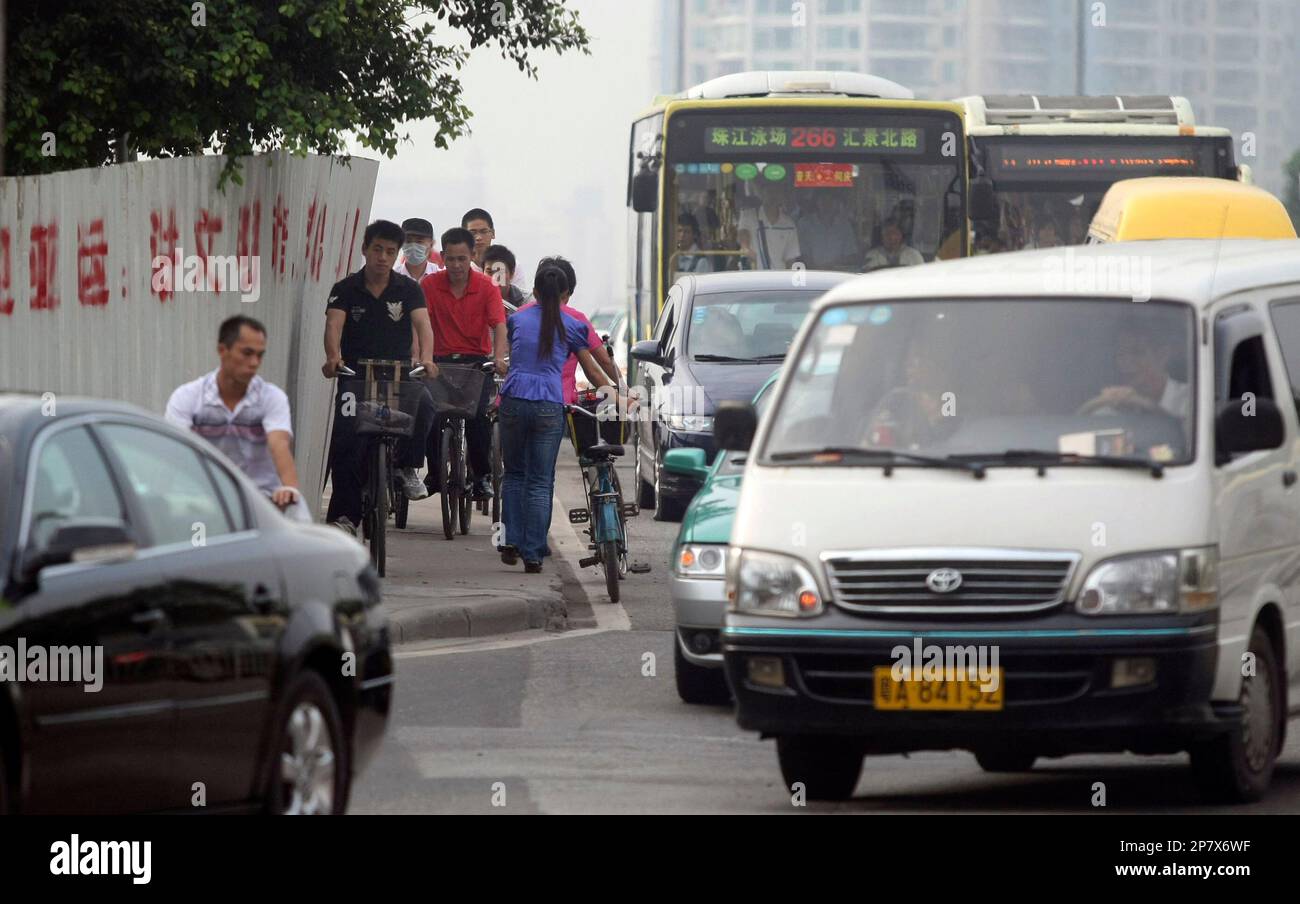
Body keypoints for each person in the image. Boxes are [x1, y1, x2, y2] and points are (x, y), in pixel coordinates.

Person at [498, 264, 618, 573]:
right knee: (540, 480)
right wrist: (615, 392)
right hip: (550, 403)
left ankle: (510, 540)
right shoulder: (573, 325)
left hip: (513, 399)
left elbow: (511, 355)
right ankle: (534, 552)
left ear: (535, 292)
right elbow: (592, 370)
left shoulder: (517, 319)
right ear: (565, 294)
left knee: (514, 474)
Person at [322, 220, 438, 534]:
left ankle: (405, 467)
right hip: (355, 376)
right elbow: (334, 326)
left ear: (395, 254)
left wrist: (426, 358)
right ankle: (345, 516)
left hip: (398, 373)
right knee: (346, 439)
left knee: (426, 405)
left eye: (390, 251)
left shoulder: (408, 289)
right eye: (377, 250)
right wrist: (334, 358)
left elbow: (423, 326)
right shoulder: (345, 289)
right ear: (365, 250)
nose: (383, 257)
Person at [166, 315, 310, 522]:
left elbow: (279, 444)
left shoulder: (272, 397)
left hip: (262, 499)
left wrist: (288, 488)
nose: (254, 363)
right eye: (247, 353)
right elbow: (174, 451)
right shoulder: (188, 397)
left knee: (298, 515)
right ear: (223, 351)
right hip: (201, 500)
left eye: (260, 356)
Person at [421, 226, 509, 500]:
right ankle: (435, 473)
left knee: (478, 417)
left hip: (475, 364)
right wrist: (422, 356)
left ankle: (481, 476)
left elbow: (499, 325)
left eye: (462, 258)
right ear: (442, 257)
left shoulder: (486, 287)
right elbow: (420, 324)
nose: (457, 265)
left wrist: (498, 357)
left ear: (472, 255)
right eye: (450, 259)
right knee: (431, 417)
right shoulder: (430, 285)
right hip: (439, 363)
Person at [517, 255, 618, 404]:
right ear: (567, 292)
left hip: (516, 402)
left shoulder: (519, 315)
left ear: (536, 290)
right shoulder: (575, 320)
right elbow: (600, 363)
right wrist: (624, 394)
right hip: (558, 404)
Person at [1079, 322, 1189, 418]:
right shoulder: (1108, 408)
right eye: (1120, 354)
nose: (1125, 362)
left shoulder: (1192, 401)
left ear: (1162, 355)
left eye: (1137, 352)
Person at [736, 181, 802, 270]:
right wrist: (746, 248)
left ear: (782, 196)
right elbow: (743, 233)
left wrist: (789, 279)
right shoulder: (748, 215)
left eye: (777, 192)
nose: (773, 196)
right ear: (762, 194)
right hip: (754, 277)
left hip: (779, 279)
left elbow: (790, 259)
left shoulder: (789, 224)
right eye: (769, 191)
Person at [462, 207, 528, 291]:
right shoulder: (456, 267)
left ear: (493, 233)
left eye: (484, 231)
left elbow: (520, 300)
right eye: (472, 233)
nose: (478, 237)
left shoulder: (512, 265)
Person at [795, 190, 858, 270]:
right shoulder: (804, 224)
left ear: (837, 203)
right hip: (811, 276)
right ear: (816, 202)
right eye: (823, 199)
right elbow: (801, 254)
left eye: (831, 199)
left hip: (838, 276)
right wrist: (817, 269)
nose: (827, 203)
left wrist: (833, 265)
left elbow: (851, 255)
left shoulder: (845, 225)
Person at [484, 244, 530, 310]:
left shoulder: (528, 302)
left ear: (512, 273)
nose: (494, 278)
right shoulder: (472, 300)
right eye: (489, 272)